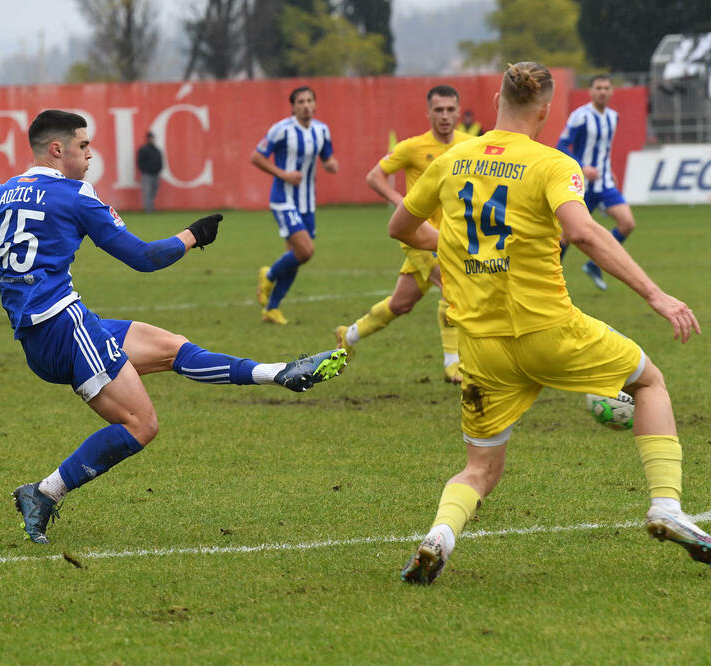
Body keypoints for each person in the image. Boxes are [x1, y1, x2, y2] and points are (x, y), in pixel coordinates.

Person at [0, 110, 348, 545]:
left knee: (172, 348)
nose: (90, 156)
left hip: (46, 333)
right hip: (64, 327)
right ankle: (45, 492)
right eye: (83, 146)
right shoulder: (76, 196)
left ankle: (279, 372)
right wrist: (193, 235)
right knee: (141, 424)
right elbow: (143, 258)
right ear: (56, 150)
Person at [389, 62, 706, 586]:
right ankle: (666, 506)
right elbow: (582, 232)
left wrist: (454, 248)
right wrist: (655, 294)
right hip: (550, 331)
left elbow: (400, 226)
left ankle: (438, 537)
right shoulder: (553, 164)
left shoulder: (452, 158)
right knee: (649, 381)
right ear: (546, 109)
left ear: (496, 99)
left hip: (482, 346)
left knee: (481, 469)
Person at [334, 86, 472, 384]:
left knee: (400, 304)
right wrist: (402, 203)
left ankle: (349, 334)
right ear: (429, 113)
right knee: (453, 287)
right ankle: (453, 365)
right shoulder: (413, 147)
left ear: (459, 110)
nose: (445, 116)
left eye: (450, 109)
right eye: (439, 110)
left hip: (453, 237)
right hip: (418, 235)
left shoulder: (470, 145)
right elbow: (374, 176)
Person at [252, 86, 338, 325]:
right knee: (306, 251)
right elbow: (256, 157)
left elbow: (327, 156)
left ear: (315, 104)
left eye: (310, 100)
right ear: (293, 106)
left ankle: (272, 309)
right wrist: (283, 174)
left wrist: (331, 164)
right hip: (283, 199)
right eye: (301, 101)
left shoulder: (322, 130)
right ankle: (268, 275)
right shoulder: (281, 130)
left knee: (296, 256)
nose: (306, 105)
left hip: (307, 202)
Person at [556, 74, 637, 291]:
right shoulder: (579, 116)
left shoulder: (613, 117)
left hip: (604, 184)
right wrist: (583, 167)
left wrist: (608, 170)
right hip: (582, 184)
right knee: (567, 236)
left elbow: (604, 149)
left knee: (627, 223)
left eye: (606, 88)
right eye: (598, 88)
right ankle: (551, 277)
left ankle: (594, 265)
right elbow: (561, 147)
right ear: (591, 91)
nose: (602, 91)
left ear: (611, 91)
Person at [136, 131, 163, 213]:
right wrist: (145, 170)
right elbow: (140, 162)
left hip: (155, 174)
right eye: (150, 137)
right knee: (147, 192)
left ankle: (151, 208)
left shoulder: (156, 150)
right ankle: (148, 210)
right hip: (147, 174)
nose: (152, 139)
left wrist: (158, 169)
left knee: (153, 192)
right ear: (147, 138)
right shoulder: (143, 149)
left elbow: (160, 161)